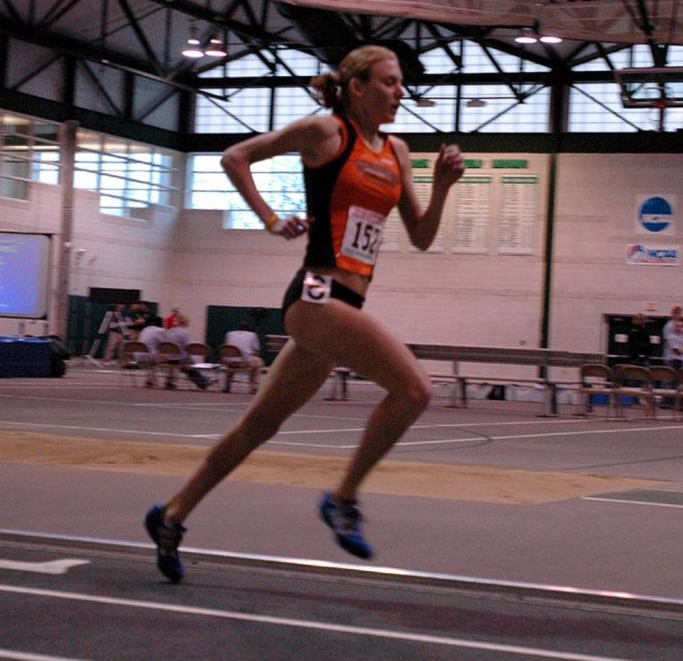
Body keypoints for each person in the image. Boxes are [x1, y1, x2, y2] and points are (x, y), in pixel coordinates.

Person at [144, 44, 465, 582]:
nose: (400, 93)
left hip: (347, 303)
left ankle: (171, 516)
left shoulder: (398, 152)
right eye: (388, 82)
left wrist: (442, 187)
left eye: (401, 83)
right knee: (415, 390)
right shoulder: (325, 133)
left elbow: (423, 237)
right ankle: (342, 498)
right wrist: (270, 219)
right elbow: (234, 157)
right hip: (316, 293)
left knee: (259, 425)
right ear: (356, 86)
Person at [222, 321, 264, 394]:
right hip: (243, 362)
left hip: (228, 361)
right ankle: (253, 386)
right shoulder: (252, 335)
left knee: (232, 362)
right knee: (259, 363)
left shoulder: (229, 334)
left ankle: (227, 386)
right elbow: (256, 351)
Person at [138, 315, 167, 388]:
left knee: (153, 360)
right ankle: (169, 381)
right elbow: (165, 344)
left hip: (139, 355)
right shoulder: (160, 331)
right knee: (170, 357)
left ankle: (149, 381)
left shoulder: (144, 330)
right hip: (150, 356)